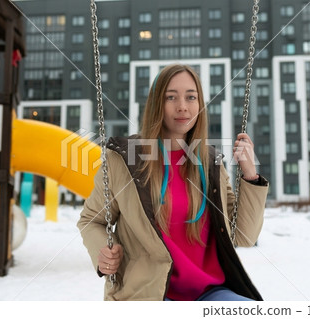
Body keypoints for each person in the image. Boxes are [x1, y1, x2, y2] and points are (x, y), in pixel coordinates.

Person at [77, 64, 268, 301]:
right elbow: (91, 220)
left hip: (209, 293)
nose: (182, 107)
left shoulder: (210, 164)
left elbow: (244, 236)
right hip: (151, 294)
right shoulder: (125, 160)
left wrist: (250, 175)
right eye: (171, 97)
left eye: (191, 97)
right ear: (158, 103)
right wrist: (102, 252)